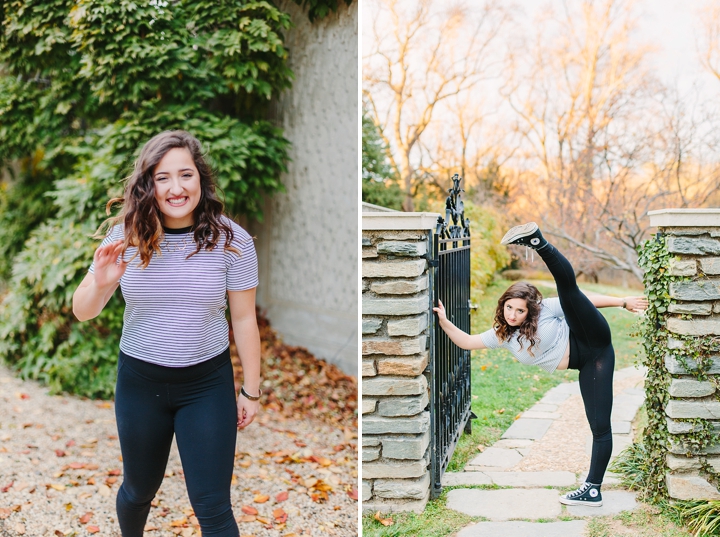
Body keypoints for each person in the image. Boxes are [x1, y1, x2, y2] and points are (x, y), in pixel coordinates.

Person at [72, 130, 261, 536]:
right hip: (141, 384)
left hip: (206, 385)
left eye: (186, 175)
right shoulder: (125, 237)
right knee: (139, 490)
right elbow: (82, 311)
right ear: (148, 185)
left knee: (213, 506)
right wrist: (103, 281)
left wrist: (251, 389)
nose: (176, 188)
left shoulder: (233, 241)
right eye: (162, 178)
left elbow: (244, 320)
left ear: (201, 179)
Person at [433, 222, 647, 507]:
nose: (513, 314)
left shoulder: (544, 310)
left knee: (570, 291)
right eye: (509, 307)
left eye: (520, 309)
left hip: (591, 335)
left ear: (529, 310)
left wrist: (622, 302)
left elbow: (585, 300)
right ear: (503, 306)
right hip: (591, 363)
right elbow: (467, 342)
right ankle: (593, 490)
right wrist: (445, 322)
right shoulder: (503, 336)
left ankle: (538, 242)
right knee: (599, 425)